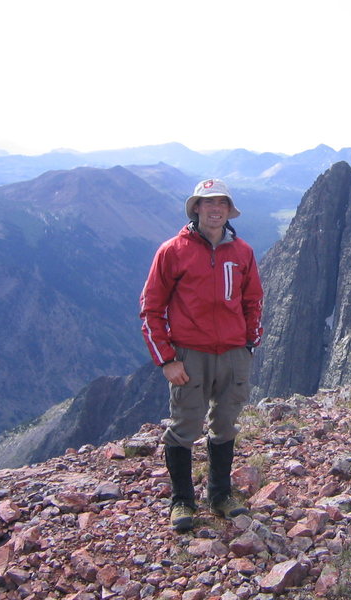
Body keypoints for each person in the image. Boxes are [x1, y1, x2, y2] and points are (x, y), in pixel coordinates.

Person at [139, 178, 263, 532]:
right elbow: (151, 309)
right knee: (185, 427)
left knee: (225, 423)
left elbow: (254, 300)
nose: (215, 209)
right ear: (196, 208)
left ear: (228, 210)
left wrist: (249, 345)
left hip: (233, 354)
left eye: (221, 203)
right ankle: (182, 501)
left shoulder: (243, 253)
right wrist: (166, 359)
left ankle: (220, 495)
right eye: (207, 203)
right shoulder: (172, 251)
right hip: (189, 355)